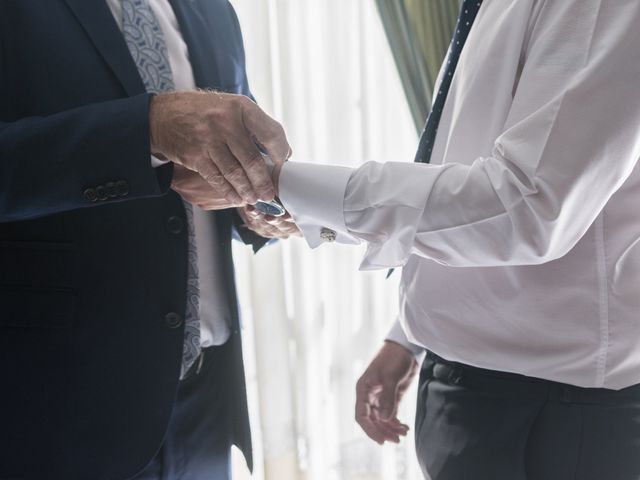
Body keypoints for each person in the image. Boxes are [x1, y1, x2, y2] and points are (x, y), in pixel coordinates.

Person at [273, 0, 640, 478]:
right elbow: (464, 157)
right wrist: (409, 336)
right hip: (469, 386)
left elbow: (528, 206)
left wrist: (290, 188)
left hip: (556, 414)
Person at [0, 0, 297, 479]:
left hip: (206, 399)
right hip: (60, 409)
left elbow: (236, 151)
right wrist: (147, 127)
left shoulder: (212, 9)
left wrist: (256, 205)